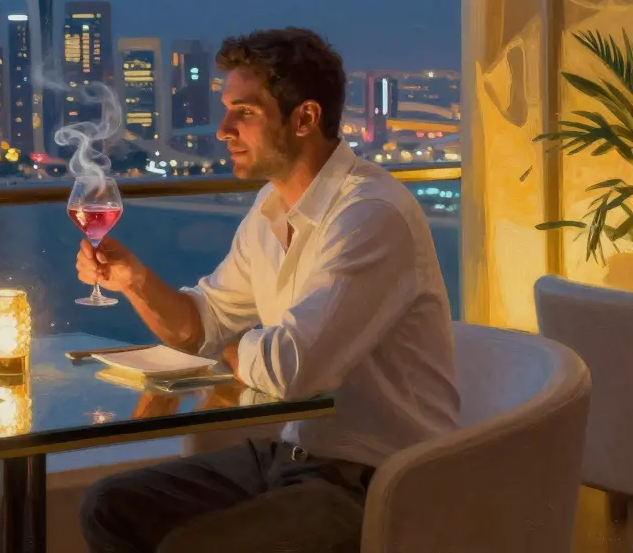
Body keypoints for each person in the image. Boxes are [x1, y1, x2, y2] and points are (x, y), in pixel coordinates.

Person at [75, 28, 460, 552]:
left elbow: (292, 371)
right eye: (227, 110)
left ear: (304, 118)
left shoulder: (370, 215)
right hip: (290, 455)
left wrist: (233, 349)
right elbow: (201, 325)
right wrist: (135, 282)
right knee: (110, 506)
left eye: (245, 112)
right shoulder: (270, 208)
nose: (223, 129)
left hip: (374, 478)